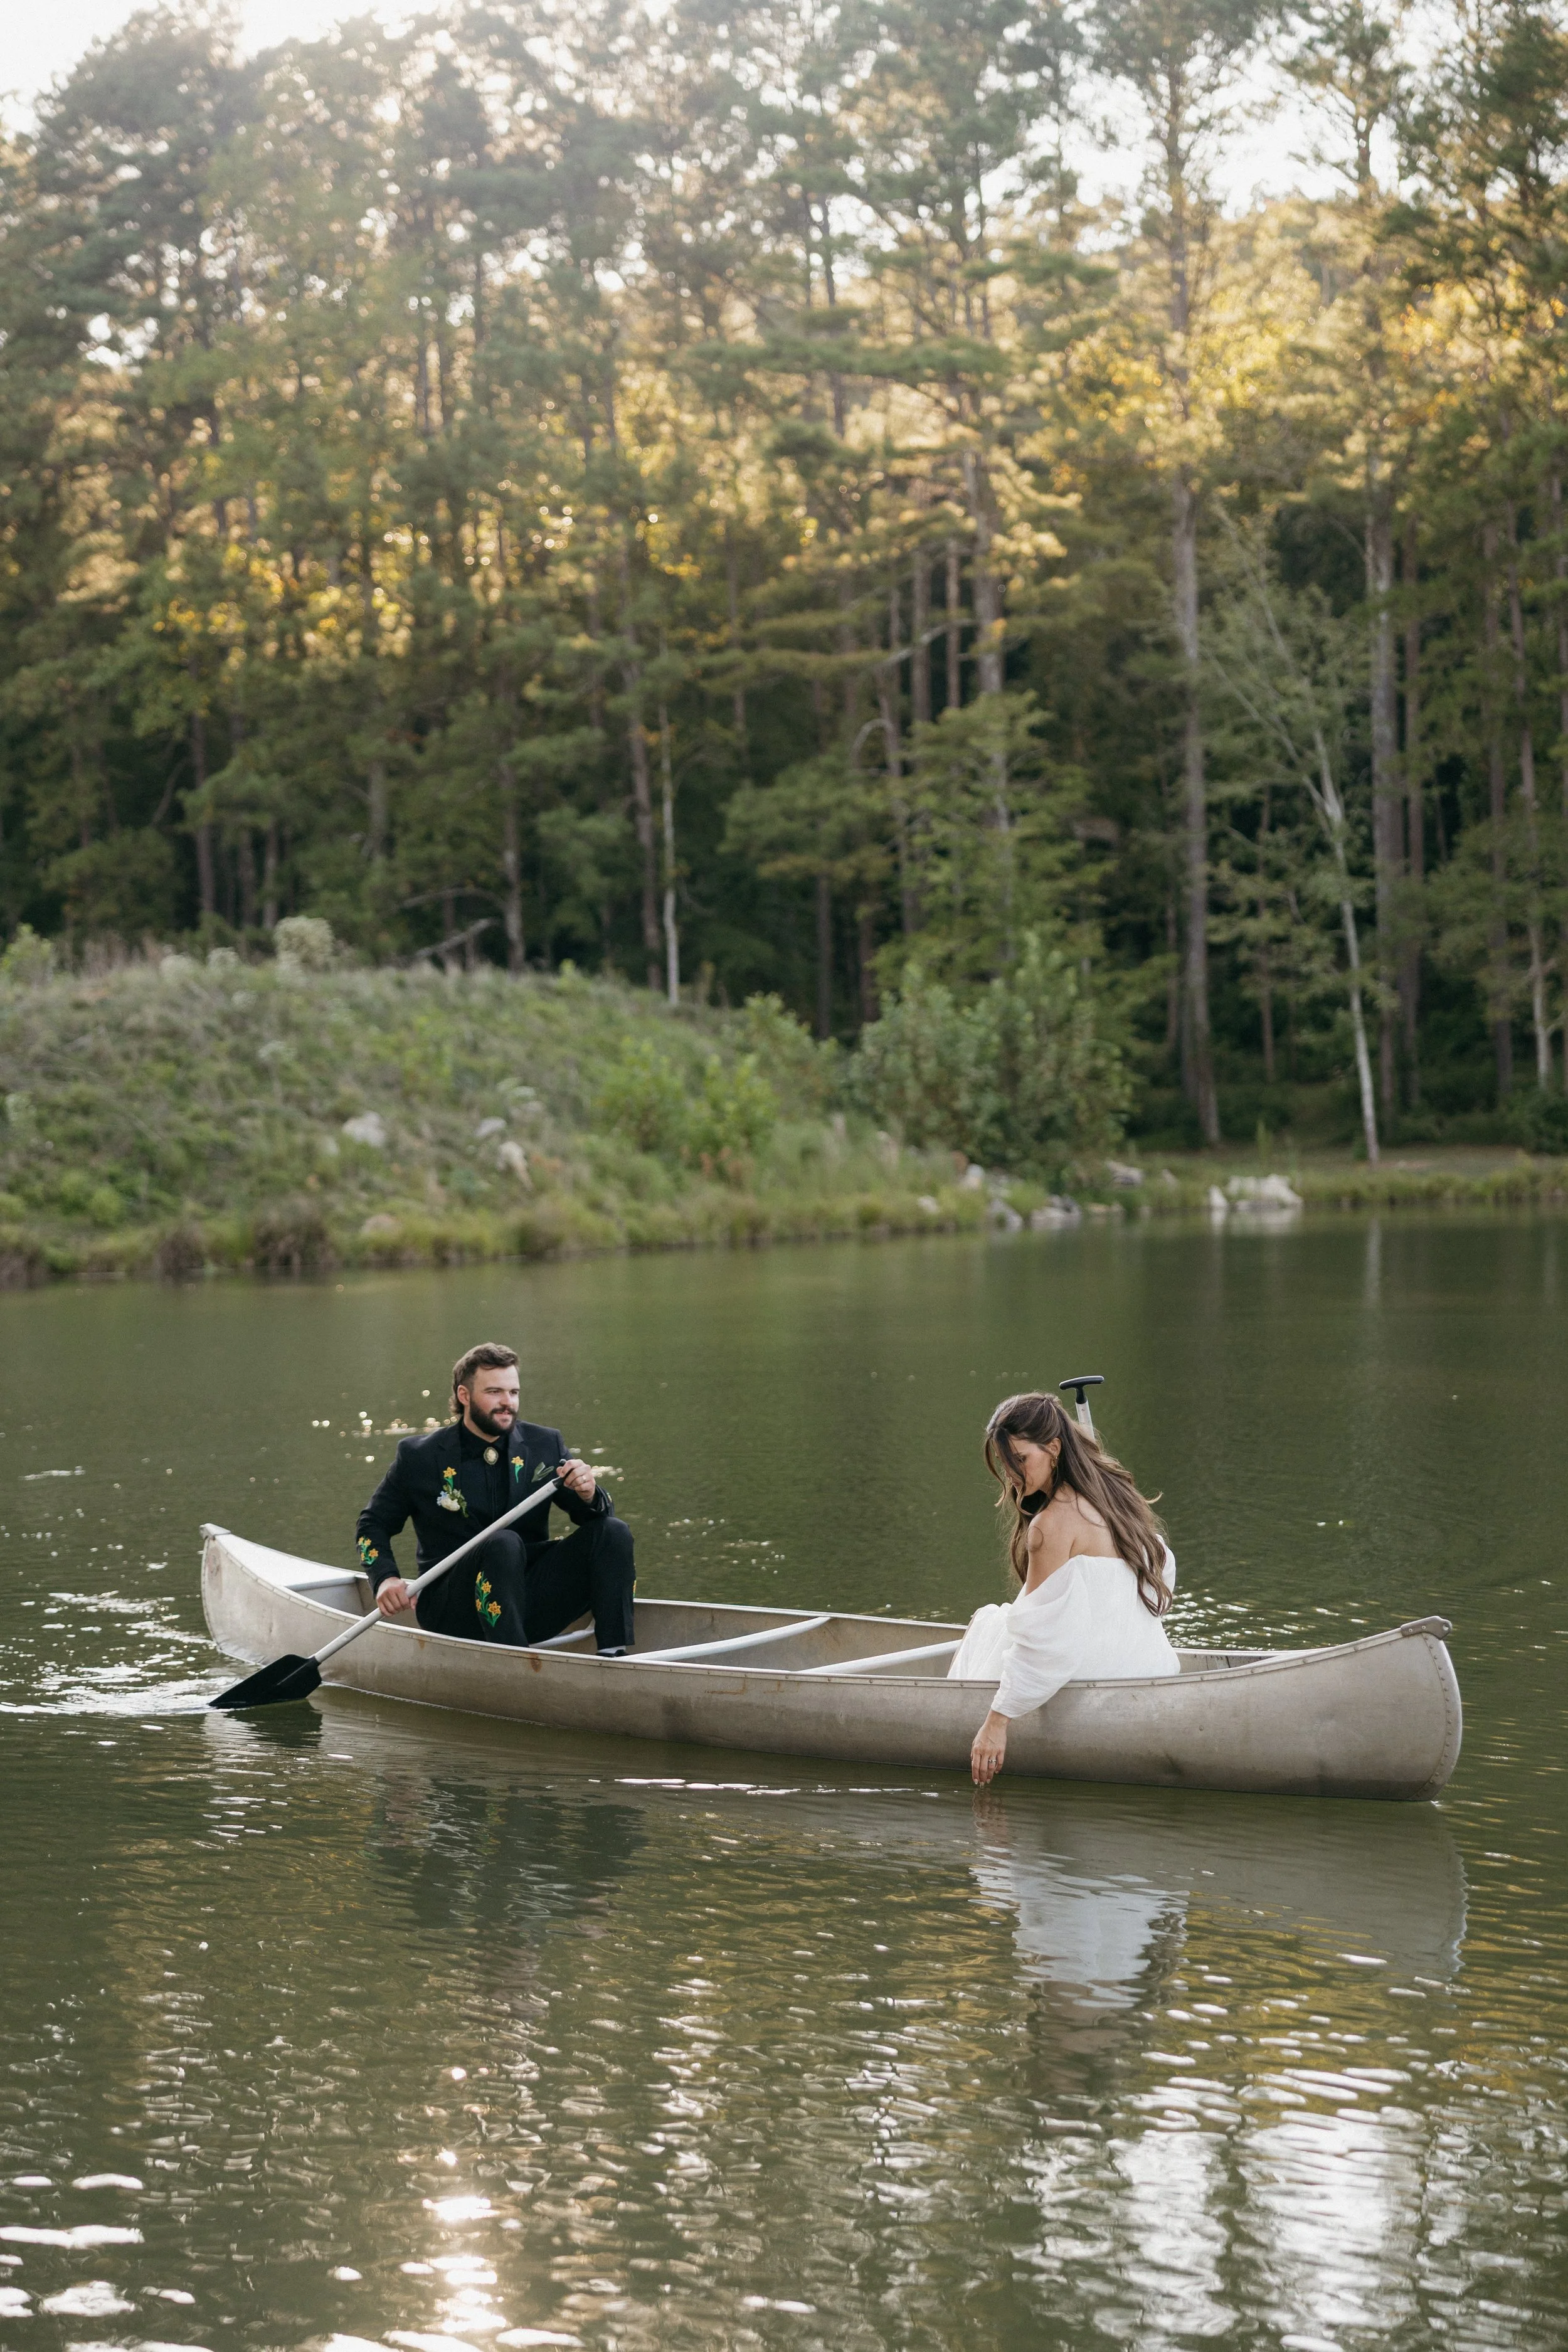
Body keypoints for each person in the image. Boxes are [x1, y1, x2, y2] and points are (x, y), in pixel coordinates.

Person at [950, 1391, 1179, 1786]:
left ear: (1054, 1447)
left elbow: (1042, 1642)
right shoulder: (1115, 1493)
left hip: (1093, 1675)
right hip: (1152, 1666)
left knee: (990, 1622)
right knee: (1002, 1622)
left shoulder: (1050, 1525)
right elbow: (1160, 1577)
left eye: (1021, 1460)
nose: (1014, 1475)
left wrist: (997, 1722)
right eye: (1008, 1464)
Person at [354, 1341, 636, 1655]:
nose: (508, 1403)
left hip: (529, 1602)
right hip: (454, 1610)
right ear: (464, 1396)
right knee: (503, 1543)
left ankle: (613, 1654)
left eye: (514, 1393)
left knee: (614, 1532)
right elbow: (372, 1525)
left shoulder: (545, 1443)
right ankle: (513, 1665)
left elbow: (595, 1518)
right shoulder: (420, 1456)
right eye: (494, 1393)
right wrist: (386, 1579)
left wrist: (588, 1493)